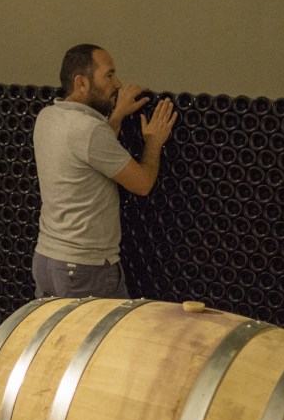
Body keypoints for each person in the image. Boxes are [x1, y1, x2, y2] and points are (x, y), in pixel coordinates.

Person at [31, 43, 178, 298]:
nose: (118, 84)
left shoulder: (48, 117)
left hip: (47, 261)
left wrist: (117, 116)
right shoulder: (89, 130)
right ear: (82, 83)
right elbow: (142, 184)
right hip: (85, 269)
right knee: (104, 339)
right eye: (109, 75)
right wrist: (154, 142)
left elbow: (90, 153)